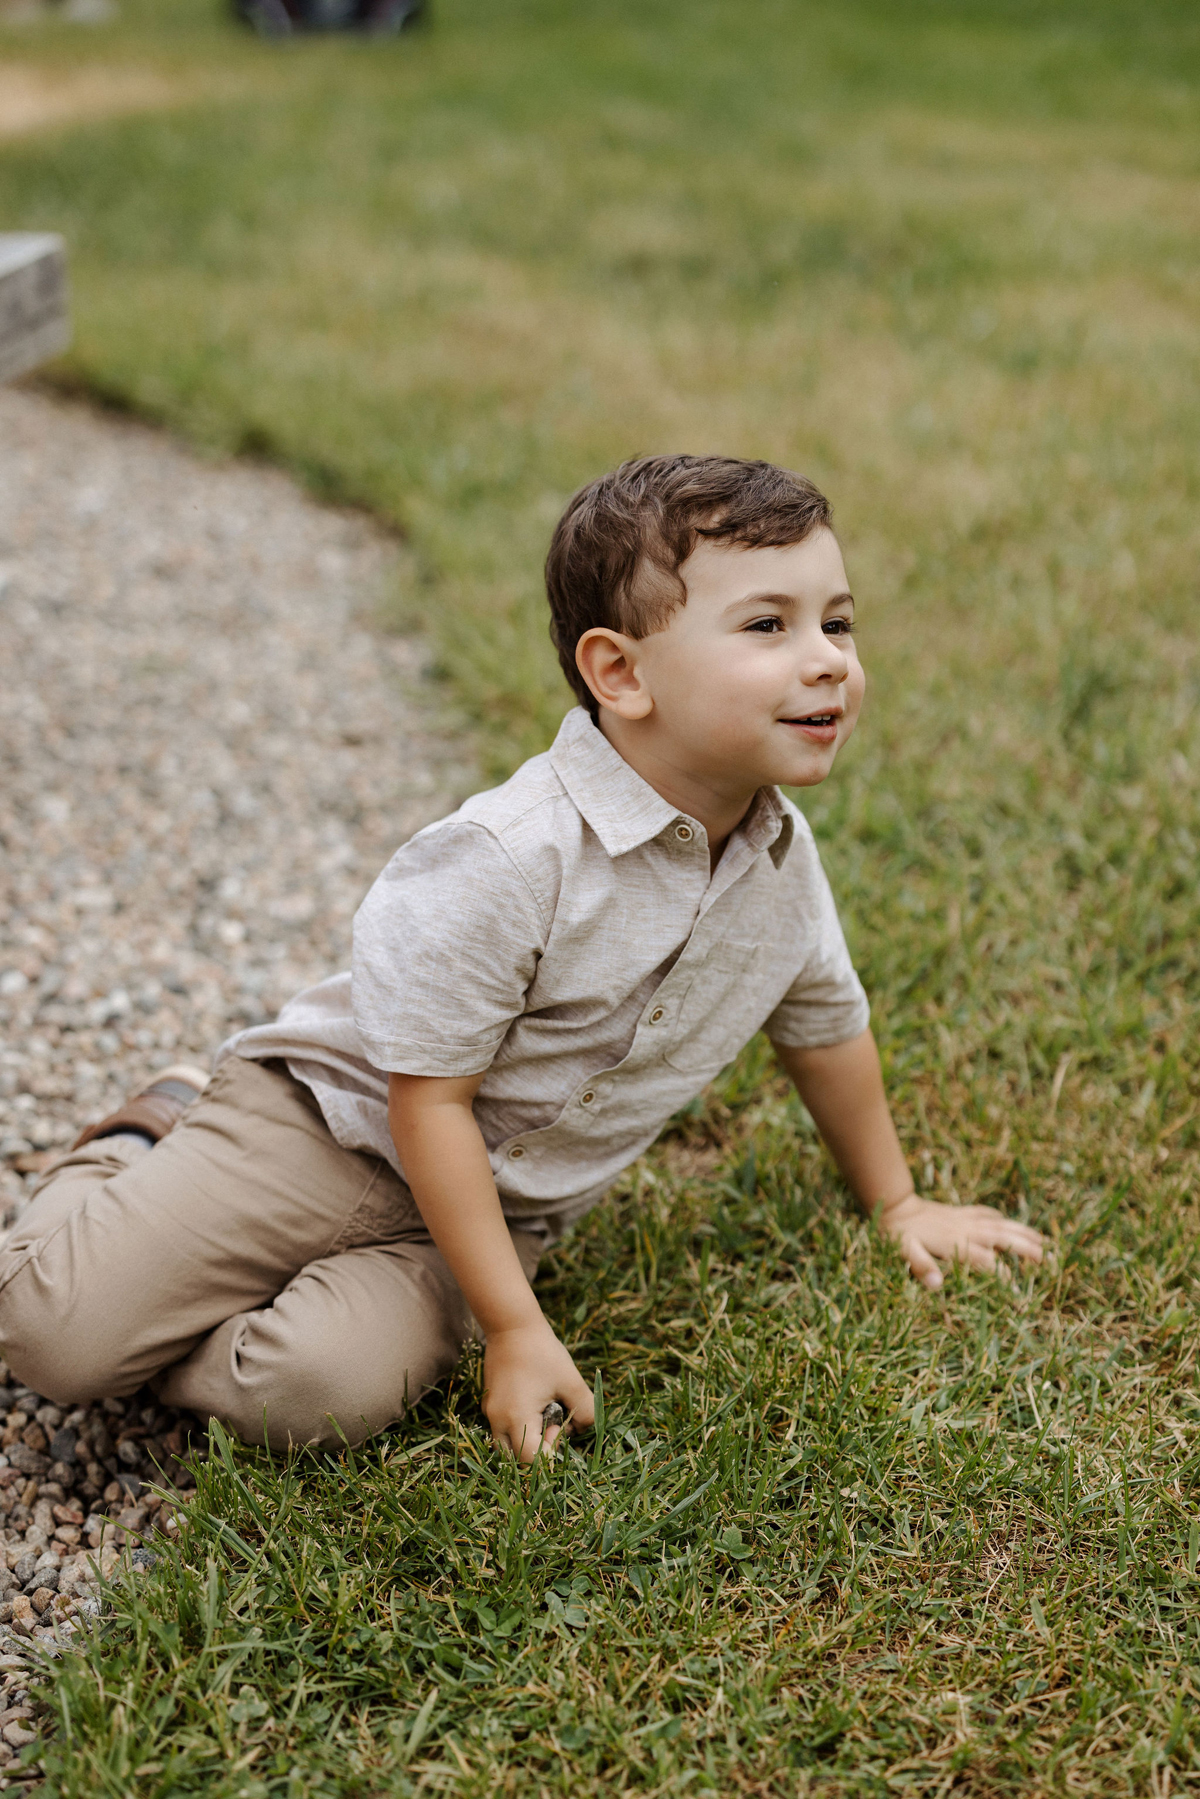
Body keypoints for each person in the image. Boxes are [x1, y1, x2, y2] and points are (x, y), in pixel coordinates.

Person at [0, 456, 1043, 1463]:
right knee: (52, 1335)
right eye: (769, 624)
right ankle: (146, 1137)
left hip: (490, 1215)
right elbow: (429, 1102)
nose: (828, 658)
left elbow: (826, 1026)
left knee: (312, 1391)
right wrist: (515, 1327)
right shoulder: (512, 854)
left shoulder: (779, 864)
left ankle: (175, 1292)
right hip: (328, 1129)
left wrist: (897, 1201)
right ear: (620, 673)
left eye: (838, 621)